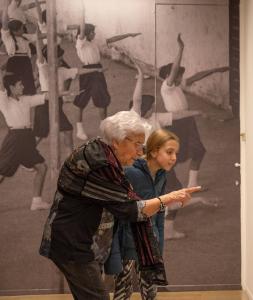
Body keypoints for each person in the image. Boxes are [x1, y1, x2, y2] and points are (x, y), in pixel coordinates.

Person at [39, 110, 201, 300]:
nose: (140, 151)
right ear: (117, 141)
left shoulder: (98, 149)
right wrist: (169, 198)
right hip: (73, 245)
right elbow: (133, 210)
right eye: (137, 145)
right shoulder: (102, 167)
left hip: (77, 240)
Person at [107, 128, 180, 300]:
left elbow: (159, 214)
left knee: (150, 294)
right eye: (169, 152)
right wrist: (116, 252)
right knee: (123, 292)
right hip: (128, 246)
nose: (174, 158)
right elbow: (118, 212)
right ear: (154, 151)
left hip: (150, 245)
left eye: (175, 153)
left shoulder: (162, 175)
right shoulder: (130, 172)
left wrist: (159, 246)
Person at [160, 33, 228, 189]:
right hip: (175, 124)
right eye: (177, 74)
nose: (181, 77)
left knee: (198, 151)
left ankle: (192, 184)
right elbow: (175, 68)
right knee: (174, 157)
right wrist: (181, 48)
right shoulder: (167, 87)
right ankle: (162, 182)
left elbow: (196, 76)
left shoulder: (178, 85)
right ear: (169, 76)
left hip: (187, 121)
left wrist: (215, 70)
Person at [72, 0, 140, 140]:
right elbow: (82, 30)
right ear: (87, 33)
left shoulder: (94, 42)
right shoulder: (81, 43)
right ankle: (79, 129)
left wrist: (128, 34)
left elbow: (112, 39)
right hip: (87, 71)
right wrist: (82, 12)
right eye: (93, 32)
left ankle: (105, 126)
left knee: (102, 99)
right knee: (81, 100)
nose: (95, 34)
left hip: (98, 71)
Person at [34, 21, 104, 156]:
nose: (61, 60)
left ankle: (71, 157)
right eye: (59, 58)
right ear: (52, 59)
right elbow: (40, 55)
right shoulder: (44, 68)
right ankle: (27, 153)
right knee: (40, 135)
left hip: (57, 105)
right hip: (45, 105)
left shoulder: (62, 70)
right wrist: (37, 39)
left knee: (68, 130)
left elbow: (78, 71)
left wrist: (97, 69)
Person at [0, 69, 49, 210]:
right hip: (15, 140)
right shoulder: (4, 102)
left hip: (27, 139)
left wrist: (64, 94)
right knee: (2, 173)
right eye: (19, 85)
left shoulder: (26, 100)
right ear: (11, 87)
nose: (22, 87)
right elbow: (1, 88)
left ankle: (36, 202)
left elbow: (44, 97)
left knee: (41, 167)